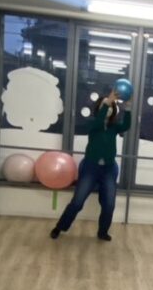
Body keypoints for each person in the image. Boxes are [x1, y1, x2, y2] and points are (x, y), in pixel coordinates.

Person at [49, 90, 131, 242]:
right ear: (99, 108)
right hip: (90, 168)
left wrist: (128, 107)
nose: (108, 108)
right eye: (105, 106)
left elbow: (126, 125)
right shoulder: (93, 123)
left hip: (109, 169)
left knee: (109, 205)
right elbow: (98, 123)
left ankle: (102, 232)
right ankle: (59, 227)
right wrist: (107, 102)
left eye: (111, 106)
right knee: (77, 202)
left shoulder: (114, 127)